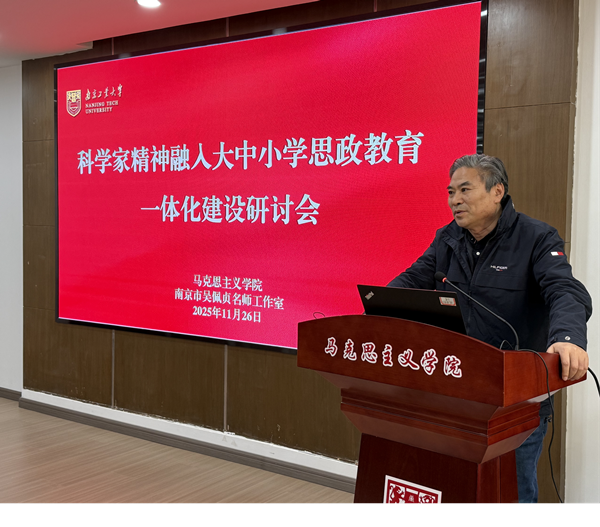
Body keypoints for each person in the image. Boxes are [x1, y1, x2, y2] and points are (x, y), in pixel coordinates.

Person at [387, 154, 592, 504]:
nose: (455, 200)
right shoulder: (447, 239)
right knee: (459, 487)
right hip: (457, 389)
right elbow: (411, 281)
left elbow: (566, 291)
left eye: (465, 190)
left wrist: (567, 339)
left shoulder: (536, 238)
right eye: (451, 192)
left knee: (510, 492)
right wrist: (379, 308)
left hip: (515, 396)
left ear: (497, 191)